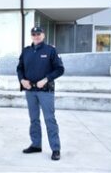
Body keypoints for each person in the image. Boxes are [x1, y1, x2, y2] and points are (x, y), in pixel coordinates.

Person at [17, 26, 64, 161]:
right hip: (30, 91)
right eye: (34, 34)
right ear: (31, 36)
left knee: (49, 119)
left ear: (43, 35)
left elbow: (60, 69)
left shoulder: (50, 50)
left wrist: (46, 79)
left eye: (39, 33)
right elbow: (19, 68)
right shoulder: (26, 51)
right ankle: (36, 145)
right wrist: (22, 80)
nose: (36, 36)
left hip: (45, 91)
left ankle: (55, 148)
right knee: (34, 119)